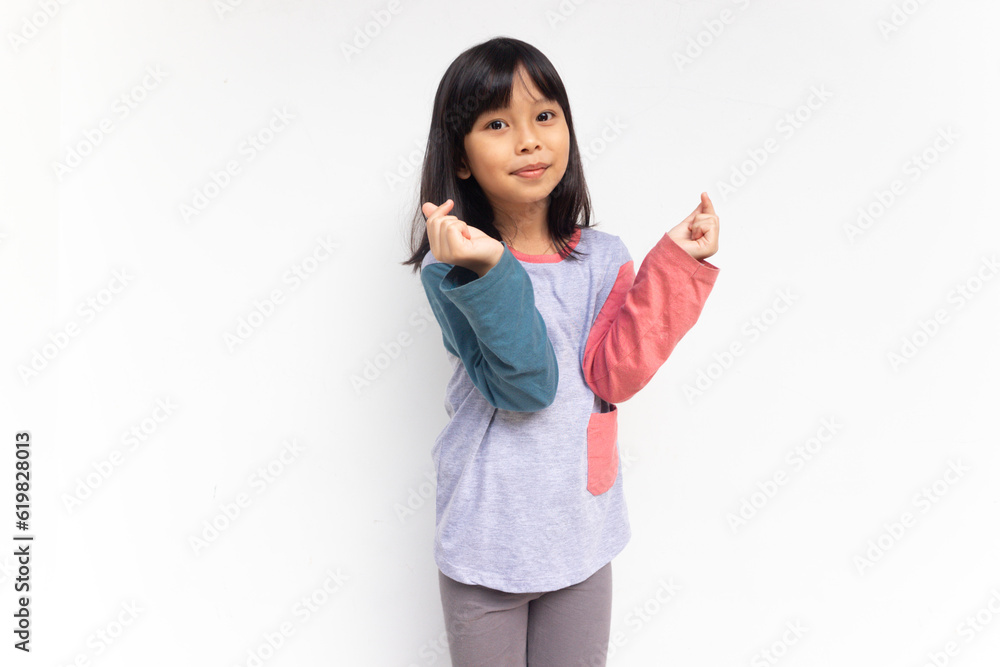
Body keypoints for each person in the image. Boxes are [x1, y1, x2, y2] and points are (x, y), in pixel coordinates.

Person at [401, 36, 720, 666]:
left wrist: (674, 265)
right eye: (497, 124)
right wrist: (492, 266)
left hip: (580, 530)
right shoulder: (452, 270)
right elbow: (526, 386)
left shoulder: (603, 257)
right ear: (460, 158)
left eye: (544, 115)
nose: (529, 140)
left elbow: (615, 373)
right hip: (487, 536)